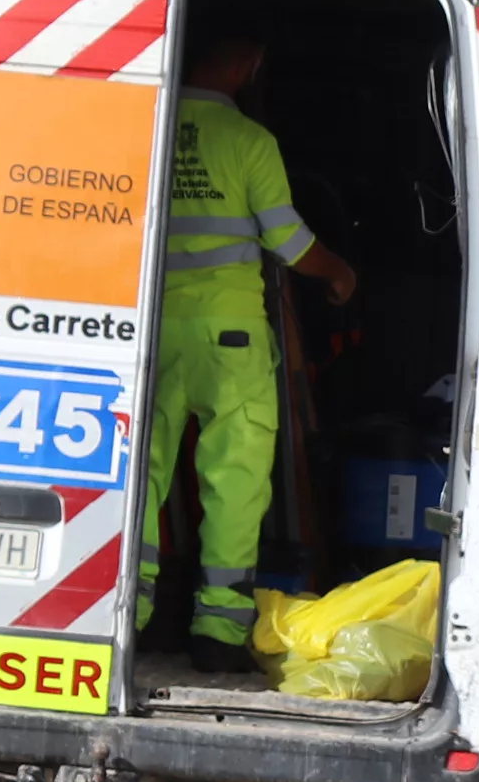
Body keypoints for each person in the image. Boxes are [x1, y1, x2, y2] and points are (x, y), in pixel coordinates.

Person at [139, 35, 358, 671]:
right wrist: (340, 270)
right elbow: (288, 242)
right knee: (234, 477)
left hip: (150, 334)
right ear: (247, 62)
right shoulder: (249, 141)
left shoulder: (146, 121)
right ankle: (217, 628)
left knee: (141, 478)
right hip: (229, 339)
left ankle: (132, 615)